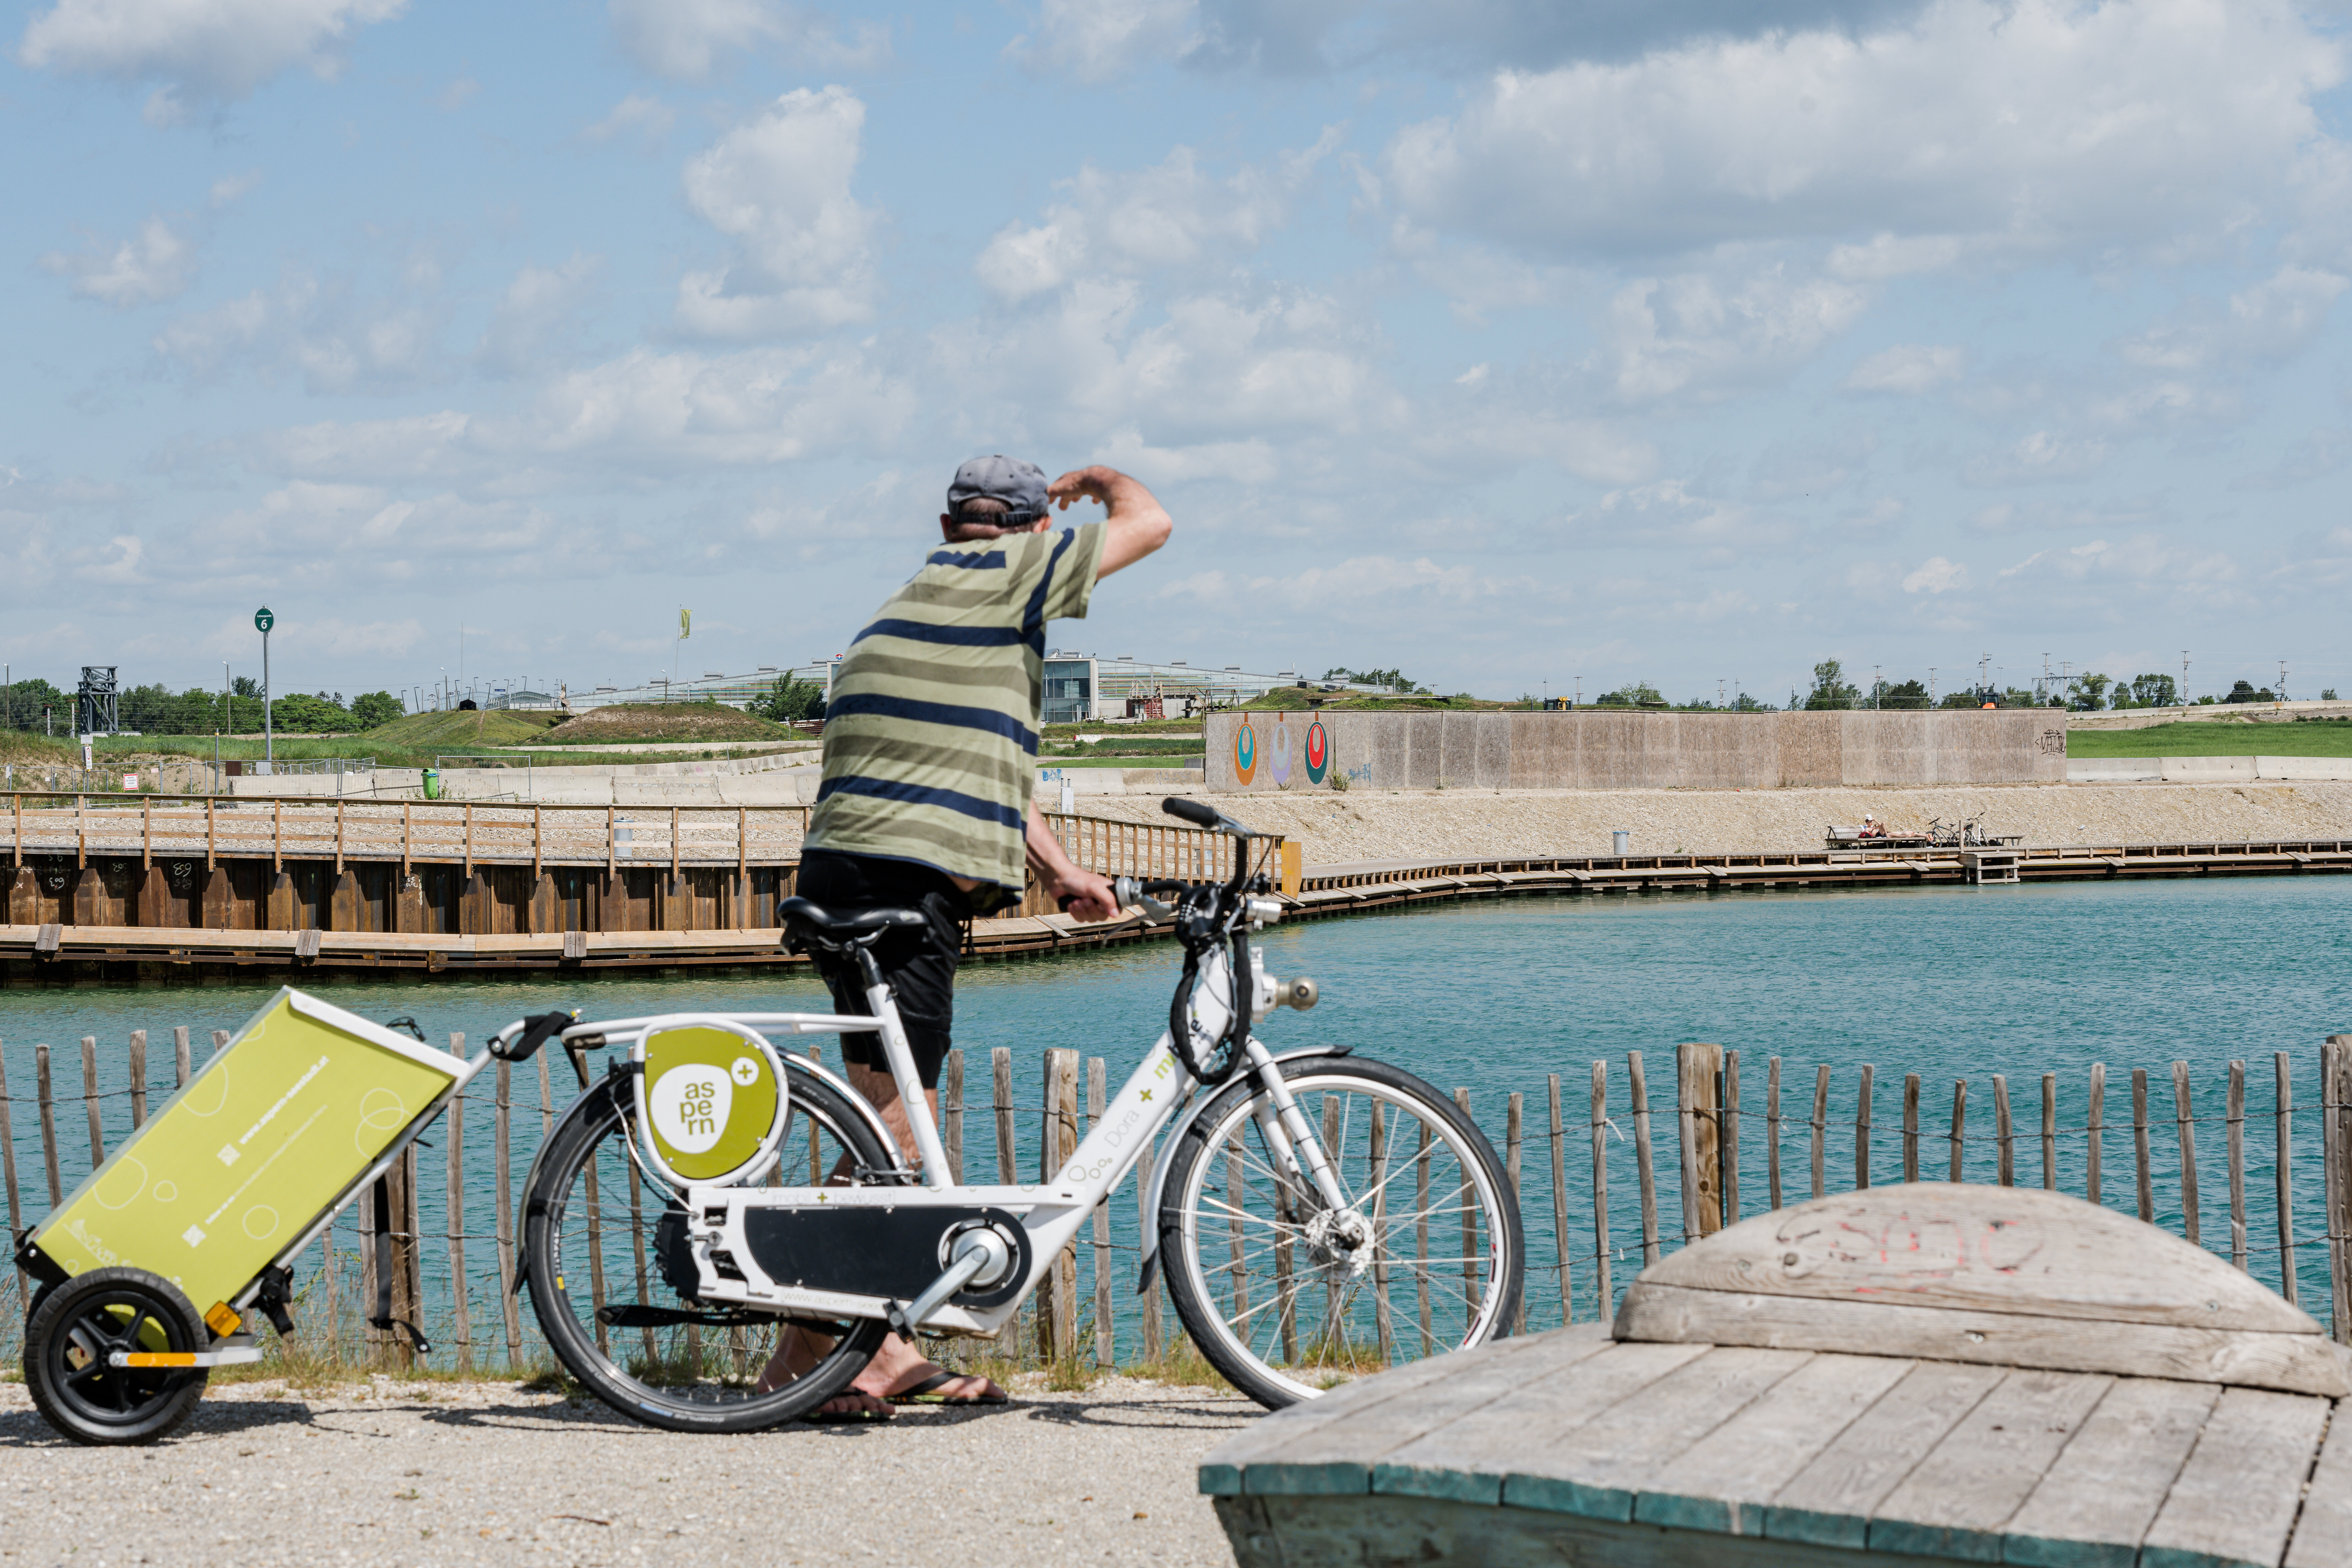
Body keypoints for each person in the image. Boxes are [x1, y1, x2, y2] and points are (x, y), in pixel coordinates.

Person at [757, 456, 1174, 1417]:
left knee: (895, 1118)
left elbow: (972, 775)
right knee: (895, 1129)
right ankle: (802, 1357)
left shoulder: (914, 603)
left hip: (851, 867)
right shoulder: (1014, 576)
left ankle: (885, 1352)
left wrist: (1063, 872)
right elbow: (1151, 524)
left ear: (948, 524)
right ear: (1032, 532)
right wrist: (1105, 481)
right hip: (903, 886)